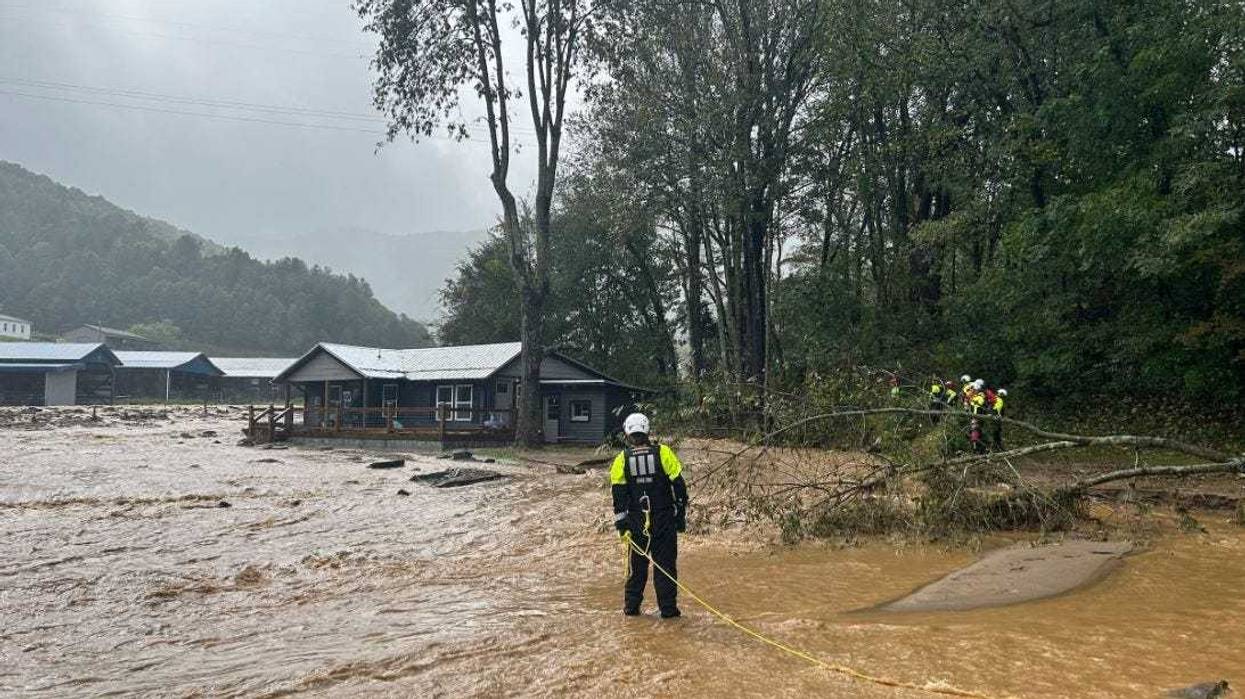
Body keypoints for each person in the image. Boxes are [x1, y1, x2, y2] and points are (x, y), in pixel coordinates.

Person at [610, 413, 689, 618]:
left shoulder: (621, 459)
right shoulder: (663, 452)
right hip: (664, 520)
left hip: (637, 523)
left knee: (637, 568)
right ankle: (669, 612)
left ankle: (631, 609)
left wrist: (622, 527)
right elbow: (679, 487)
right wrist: (680, 517)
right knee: (665, 567)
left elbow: (618, 497)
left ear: (627, 434)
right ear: (647, 431)